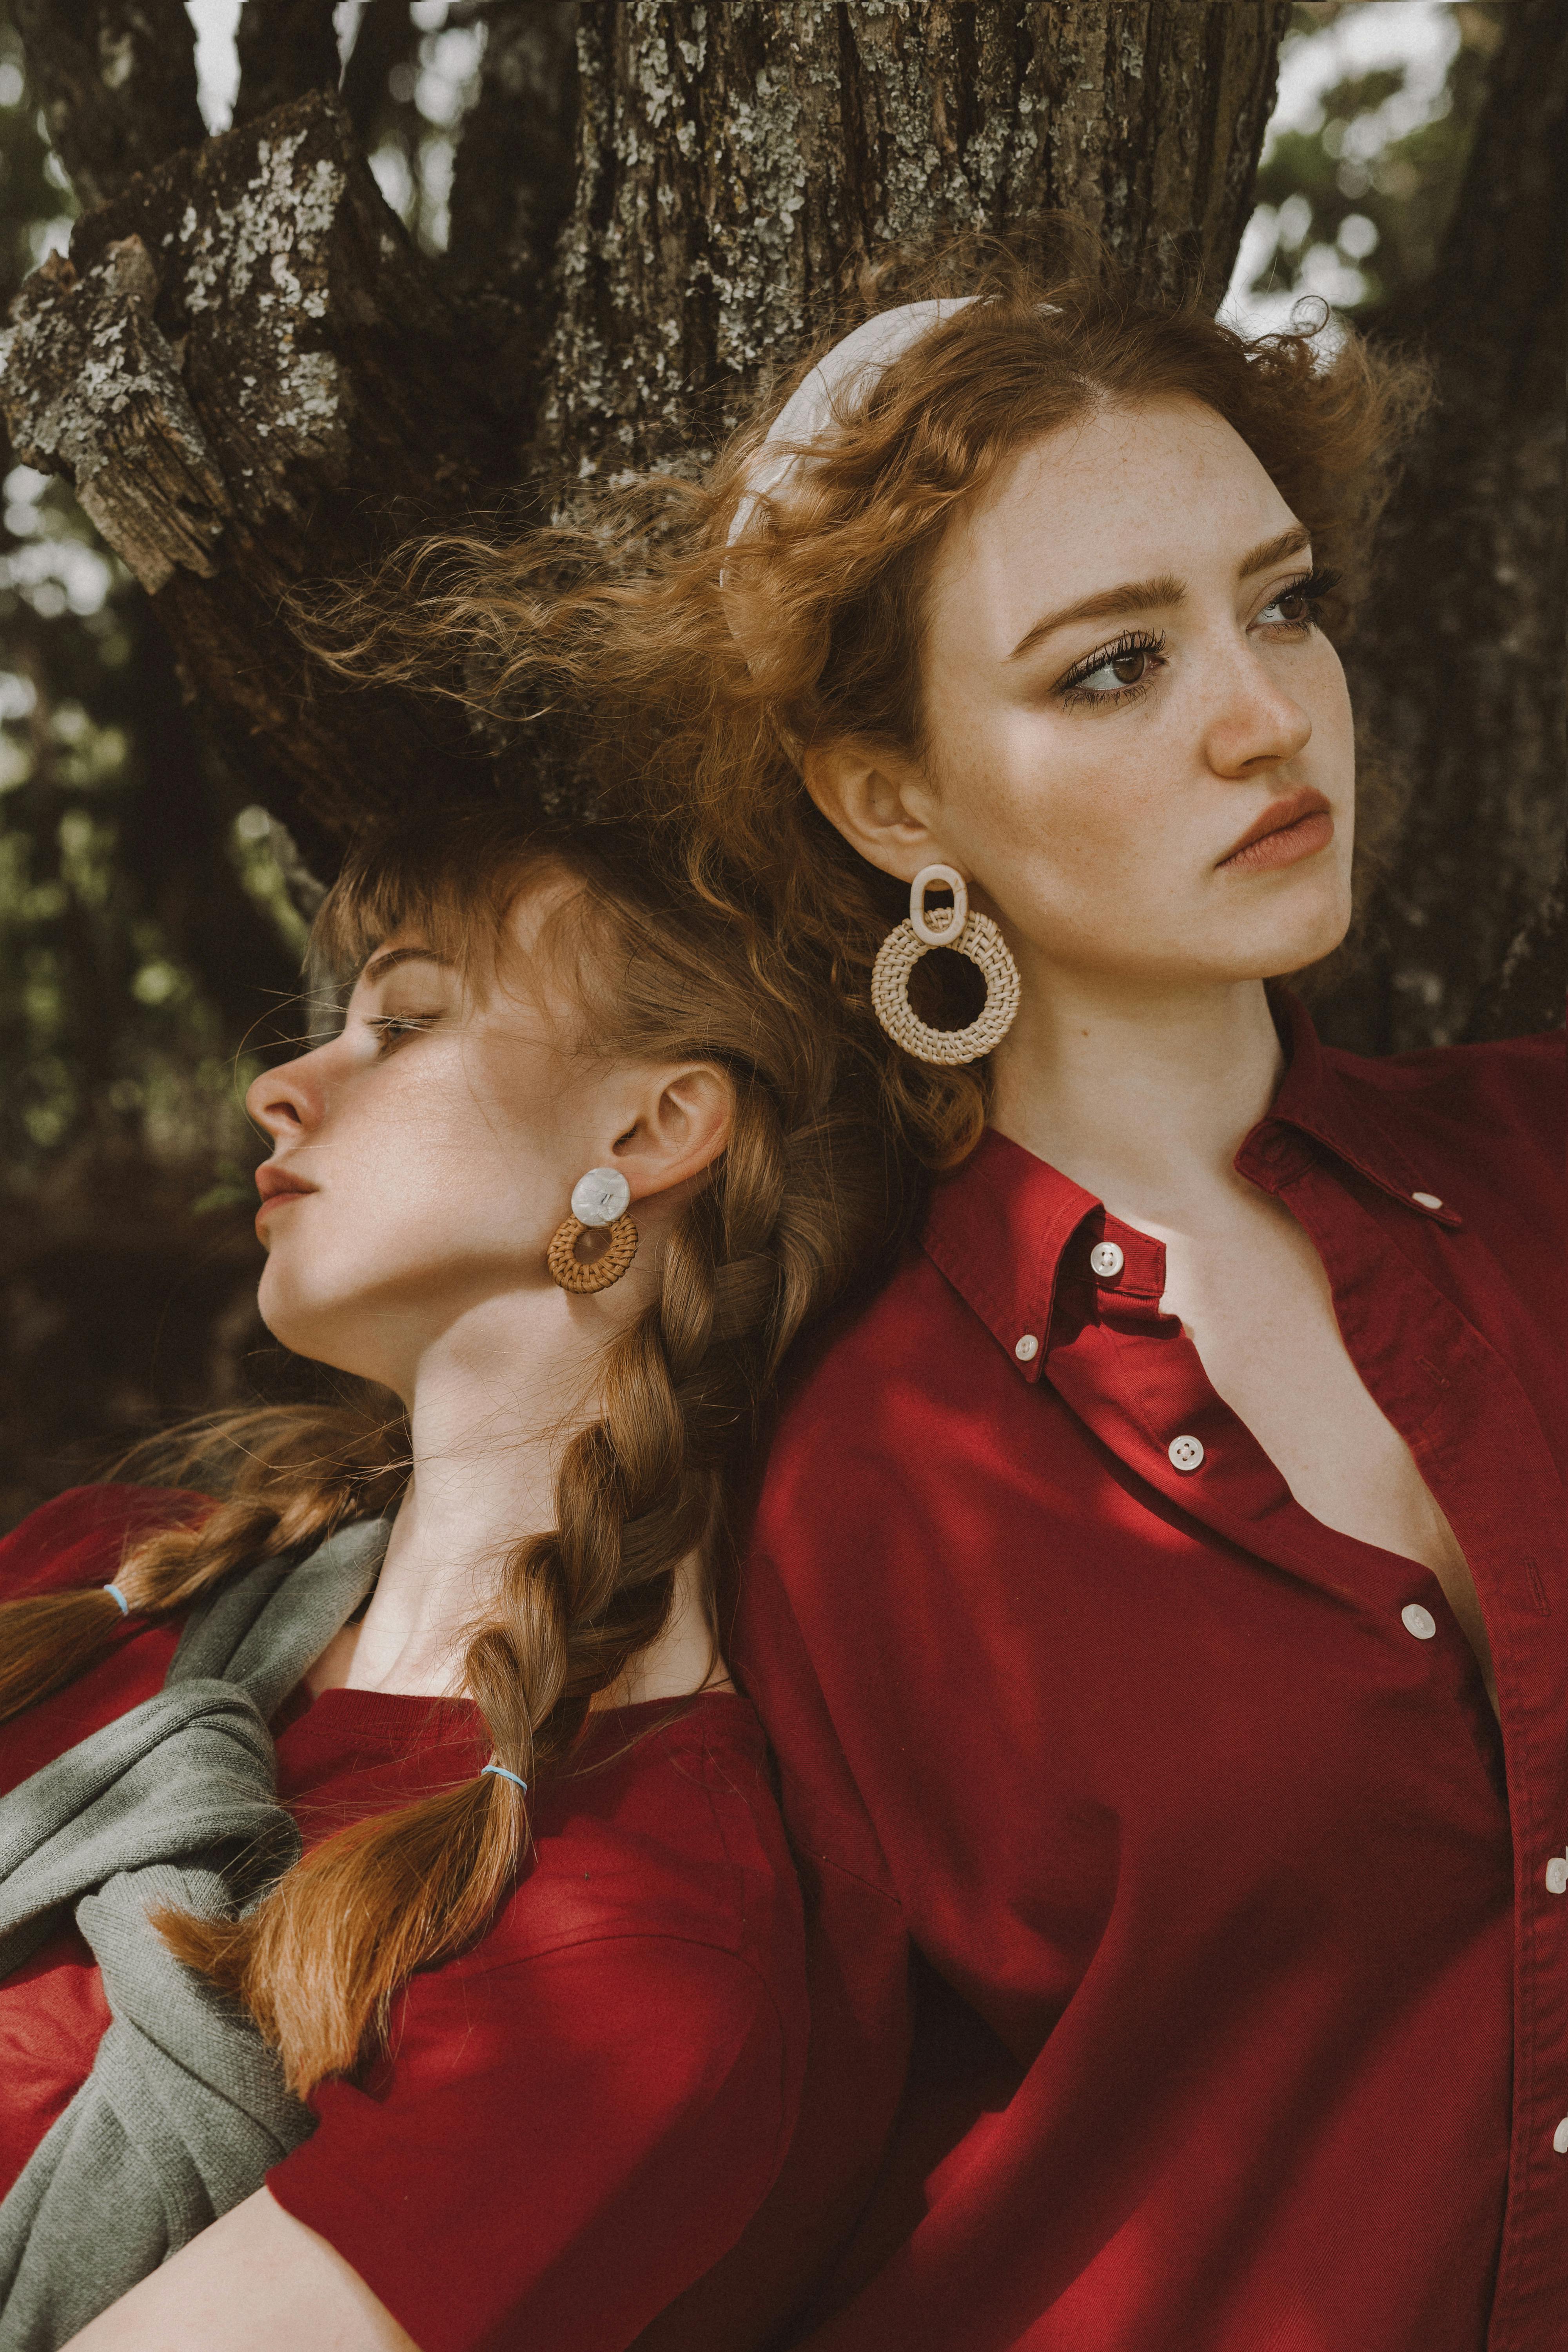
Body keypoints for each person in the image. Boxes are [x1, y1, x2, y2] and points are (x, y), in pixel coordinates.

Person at [392, 252, 1565, 2350]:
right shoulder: (852, 1473)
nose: (1263, 712)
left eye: (1280, 599)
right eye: (1112, 668)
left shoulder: (1549, 1163)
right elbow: (691, 2133)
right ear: (892, 800)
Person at [0, 806, 890, 2352]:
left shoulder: (623, 1941)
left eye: (400, 1025)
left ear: (652, 1132)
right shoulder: (102, 1575)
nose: (277, 1089)